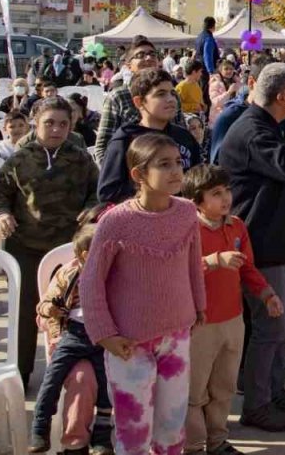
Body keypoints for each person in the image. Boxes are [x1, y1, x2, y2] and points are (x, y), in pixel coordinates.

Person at [81, 134, 206, 455]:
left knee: (172, 423)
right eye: (164, 164)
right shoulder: (115, 222)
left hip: (176, 337)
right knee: (133, 429)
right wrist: (104, 333)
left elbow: (193, 264)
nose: (176, 170)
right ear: (138, 175)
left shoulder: (187, 212)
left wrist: (199, 306)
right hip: (129, 343)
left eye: (178, 162)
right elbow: (91, 281)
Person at [219, 62, 285, 429]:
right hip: (260, 244)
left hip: (278, 240)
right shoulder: (252, 129)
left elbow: (283, 174)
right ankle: (256, 404)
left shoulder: (268, 126)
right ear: (283, 98)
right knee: (270, 327)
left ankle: (274, 390)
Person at [0, 96, 99, 390]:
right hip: (26, 246)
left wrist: (92, 208)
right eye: (49, 123)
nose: (56, 129)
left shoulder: (81, 158)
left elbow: (96, 192)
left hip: (69, 250)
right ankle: (21, 375)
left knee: (71, 314)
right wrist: (1, 215)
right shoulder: (19, 159)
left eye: (63, 124)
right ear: (35, 123)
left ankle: (71, 375)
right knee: (26, 314)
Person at [181, 165, 285, 451]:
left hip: (233, 320)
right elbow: (179, 272)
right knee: (194, 391)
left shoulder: (236, 225)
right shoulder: (188, 229)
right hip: (200, 324)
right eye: (215, 193)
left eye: (227, 190)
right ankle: (193, 445)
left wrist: (267, 294)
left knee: (224, 387)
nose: (226, 198)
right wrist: (214, 261)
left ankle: (217, 441)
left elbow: (247, 267)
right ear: (196, 200)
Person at [29, 208, 114, 455]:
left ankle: (101, 435)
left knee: (106, 380)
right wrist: (53, 317)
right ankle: (44, 429)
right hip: (72, 335)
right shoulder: (69, 273)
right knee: (60, 380)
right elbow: (44, 307)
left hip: (103, 337)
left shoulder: (113, 273)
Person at [97, 69, 201, 204]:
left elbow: (200, 180)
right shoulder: (126, 139)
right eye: (160, 94)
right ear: (139, 102)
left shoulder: (184, 137)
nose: (170, 99)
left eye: (172, 93)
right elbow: (108, 193)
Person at [94, 37, 185, 163]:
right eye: (140, 55)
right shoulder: (118, 97)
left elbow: (183, 137)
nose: (148, 58)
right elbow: (102, 147)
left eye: (152, 54)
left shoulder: (172, 94)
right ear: (128, 65)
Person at [207, 59, 241, 124]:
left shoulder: (237, 82)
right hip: (219, 119)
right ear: (221, 70)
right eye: (226, 69)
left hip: (234, 118)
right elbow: (215, 102)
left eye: (231, 69)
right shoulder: (215, 83)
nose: (229, 71)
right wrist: (229, 92)